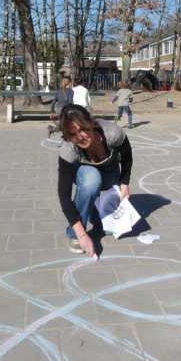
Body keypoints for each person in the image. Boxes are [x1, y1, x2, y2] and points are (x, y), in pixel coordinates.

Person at [57, 104, 133, 256]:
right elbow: (64, 195)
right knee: (92, 180)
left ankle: (93, 209)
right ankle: (74, 233)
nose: (80, 137)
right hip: (86, 175)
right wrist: (81, 235)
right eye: (73, 134)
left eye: (83, 129)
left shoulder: (112, 133)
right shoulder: (68, 149)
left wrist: (125, 183)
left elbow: (127, 156)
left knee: (108, 228)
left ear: (90, 123)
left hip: (110, 171)